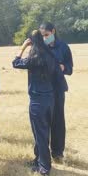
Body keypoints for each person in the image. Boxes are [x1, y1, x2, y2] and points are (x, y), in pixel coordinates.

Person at [12, 30, 63, 175]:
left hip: (37, 102)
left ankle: (44, 167)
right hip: (50, 99)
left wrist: (22, 48)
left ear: (32, 43)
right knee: (42, 132)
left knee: (39, 134)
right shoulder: (51, 56)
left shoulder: (33, 58)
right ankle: (38, 159)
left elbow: (15, 63)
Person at [39, 22, 73, 163]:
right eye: (42, 36)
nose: (44, 38)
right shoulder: (41, 47)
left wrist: (63, 66)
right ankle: (41, 153)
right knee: (43, 121)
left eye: (46, 35)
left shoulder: (63, 47)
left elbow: (70, 69)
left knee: (58, 120)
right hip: (43, 90)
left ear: (53, 31)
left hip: (58, 89)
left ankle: (58, 151)